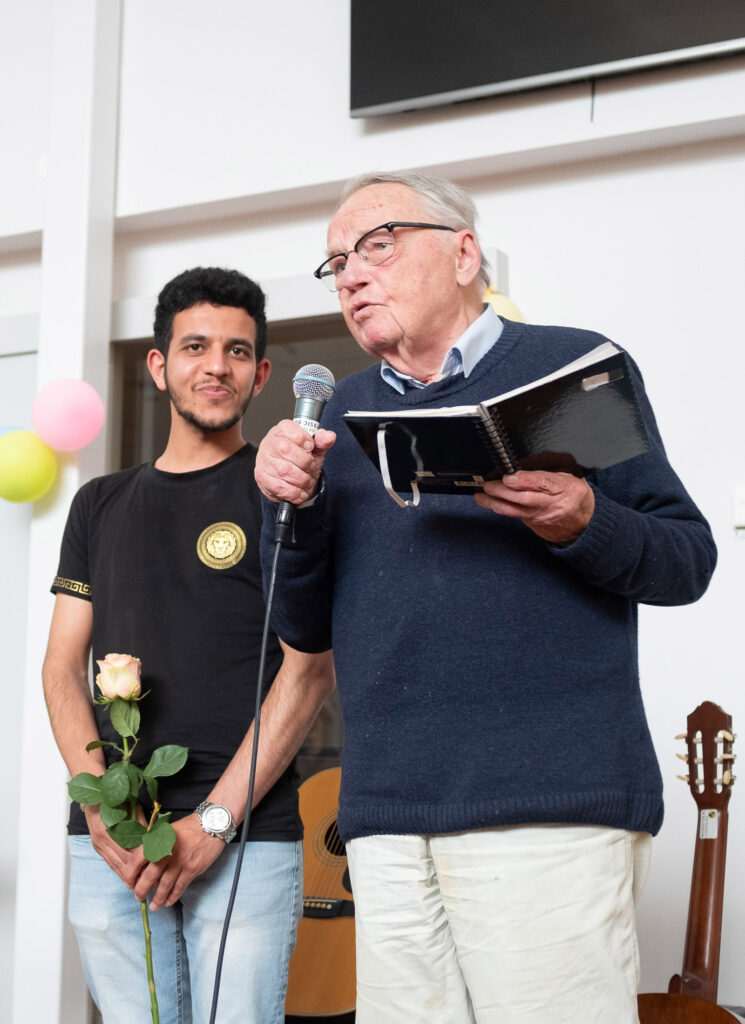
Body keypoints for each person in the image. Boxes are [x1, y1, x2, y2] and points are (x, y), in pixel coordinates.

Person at [254, 172, 717, 1023]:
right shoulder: (339, 419)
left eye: (376, 244)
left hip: (549, 807)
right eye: (335, 263)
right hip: (387, 818)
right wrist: (292, 507)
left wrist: (584, 519)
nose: (351, 274)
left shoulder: (573, 368)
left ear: (464, 252)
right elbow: (301, 626)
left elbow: (685, 562)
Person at [43, 267, 335, 1024]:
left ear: (263, 373)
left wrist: (210, 823)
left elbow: (308, 673)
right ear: (159, 364)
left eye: (238, 352)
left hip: (244, 837)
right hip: (114, 841)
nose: (216, 366)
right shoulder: (98, 503)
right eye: (196, 346)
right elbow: (61, 669)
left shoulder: (285, 495)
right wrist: (104, 812)